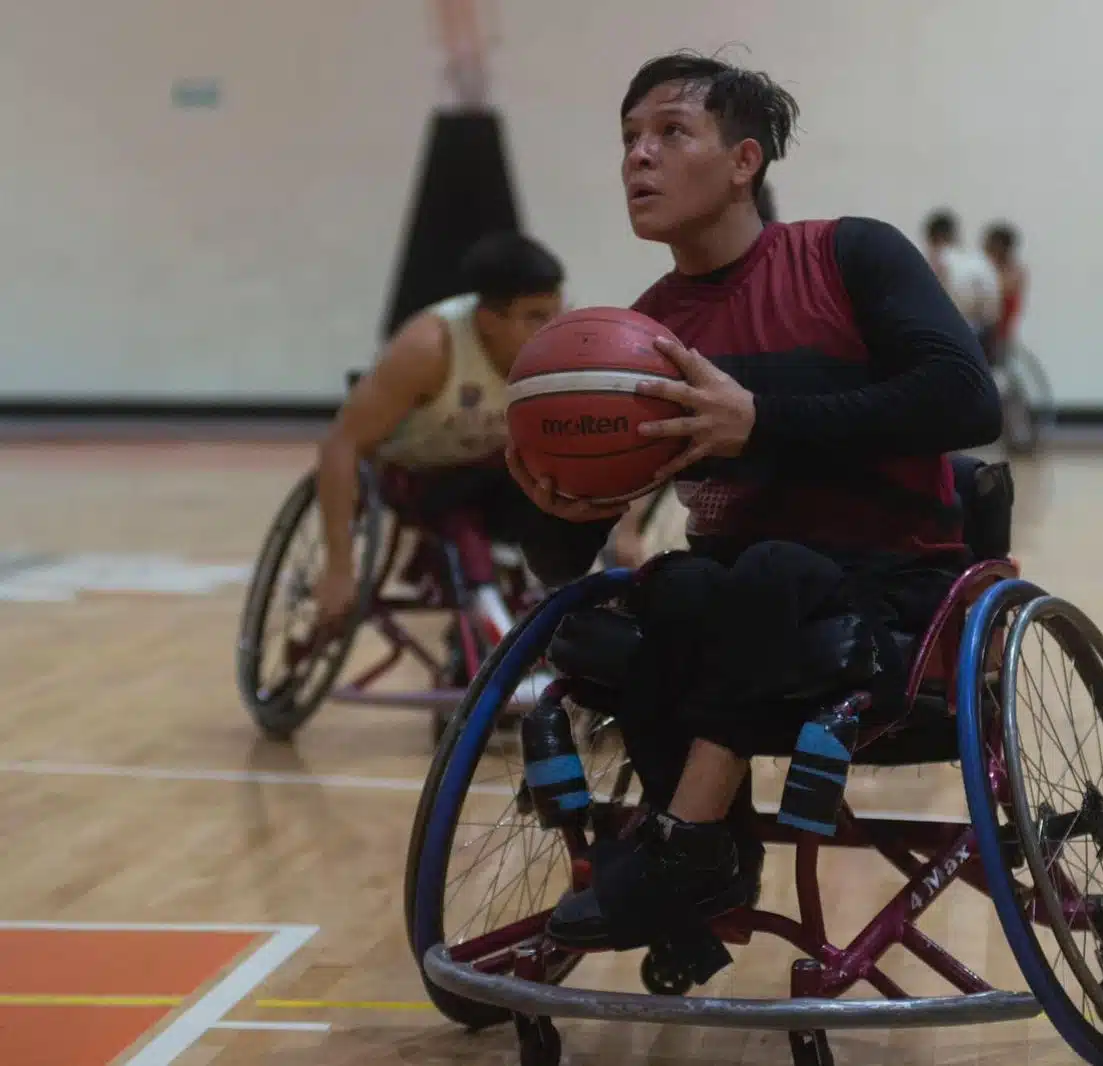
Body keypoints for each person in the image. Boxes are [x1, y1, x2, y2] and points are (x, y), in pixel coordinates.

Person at [507, 51, 1002, 952]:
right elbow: (555, 562)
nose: (638, 159)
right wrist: (553, 505)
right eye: (628, 139)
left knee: (764, 573)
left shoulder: (849, 254)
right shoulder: (642, 332)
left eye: (670, 133)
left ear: (744, 161)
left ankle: (678, 849)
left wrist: (762, 420)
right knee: (671, 589)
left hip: (894, 592)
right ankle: (709, 857)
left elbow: (968, 400)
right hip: (737, 596)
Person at [312, 231, 566, 626]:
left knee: (565, 491)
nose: (552, 329)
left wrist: (624, 534)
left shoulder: (566, 344)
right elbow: (341, 446)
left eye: (556, 312)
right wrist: (339, 568)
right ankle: (490, 617)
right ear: (488, 320)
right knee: (462, 522)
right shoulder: (427, 349)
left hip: (498, 471)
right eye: (535, 317)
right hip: (418, 474)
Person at [922, 208, 1002, 338]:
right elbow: (992, 311)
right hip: (977, 332)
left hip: (943, 331)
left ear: (934, 237)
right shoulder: (981, 261)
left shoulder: (937, 260)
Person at [981, 221, 1028, 365]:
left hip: (999, 336)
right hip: (984, 332)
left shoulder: (1014, 273)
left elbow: (1003, 292)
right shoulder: (983, 269)